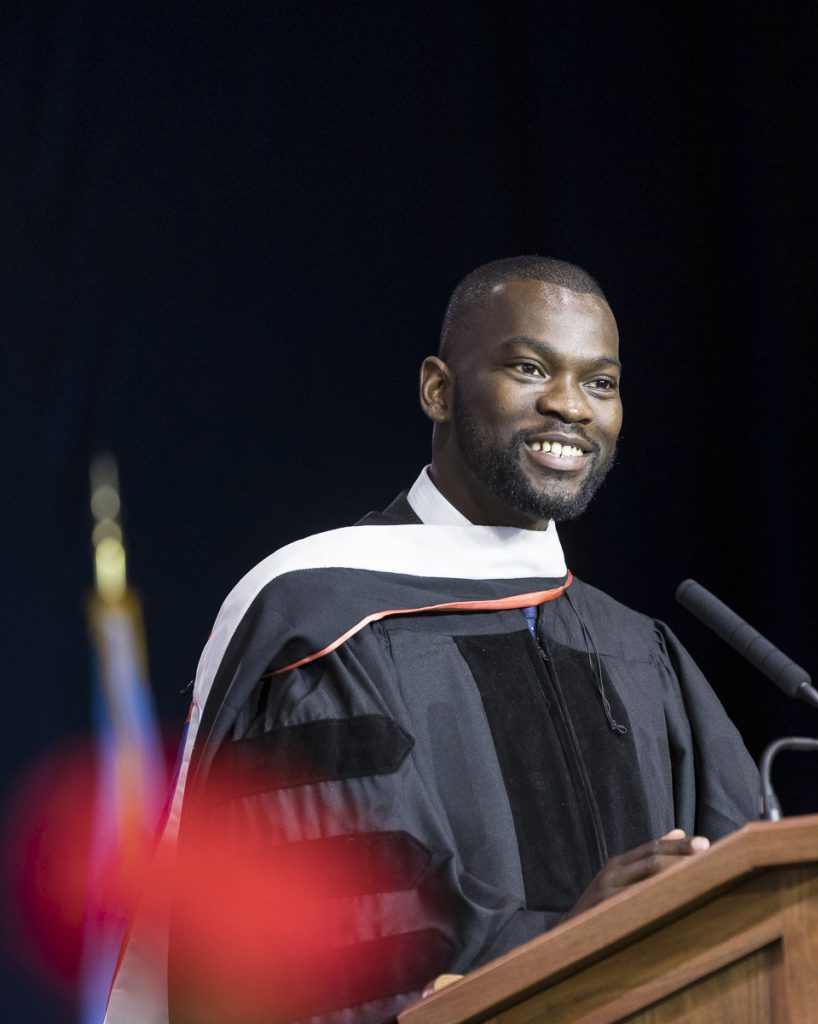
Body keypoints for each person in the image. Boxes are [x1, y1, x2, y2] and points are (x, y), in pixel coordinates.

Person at [105, 256, 759, 1024]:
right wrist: (567, 946)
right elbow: (333, 929)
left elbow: (751, 888)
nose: (570, 406)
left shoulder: (640, 652)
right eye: (529, 367)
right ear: (437, 389)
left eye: (600, 383)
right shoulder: (324, 621)